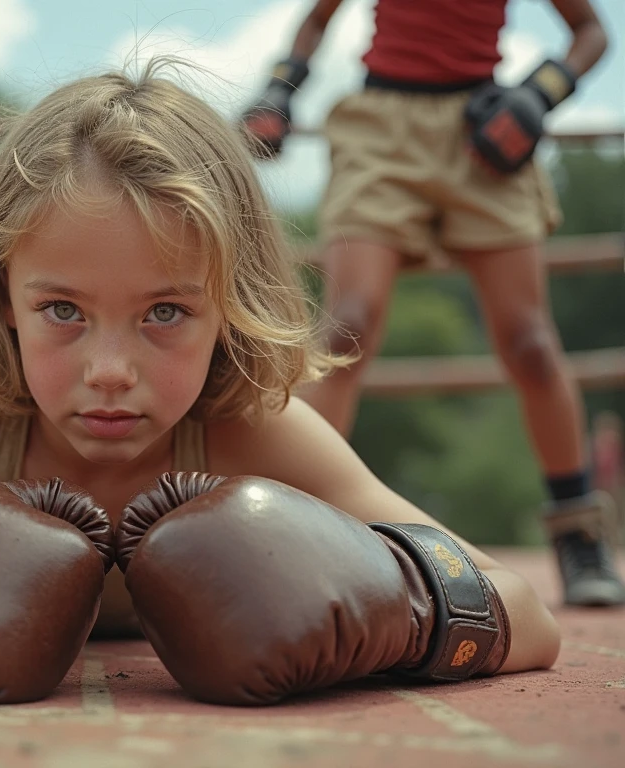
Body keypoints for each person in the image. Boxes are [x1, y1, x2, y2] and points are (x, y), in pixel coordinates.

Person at [0, 59, 561, 706]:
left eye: (164, 312)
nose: (110, 371)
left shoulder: (251, 425)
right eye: (62, 311)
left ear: (228, 306)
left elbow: (524, 615)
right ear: (3, 294)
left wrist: (398, 617)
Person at [242, 0, 624, 607]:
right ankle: (283, 526)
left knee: (529, 342)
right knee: (345, 329)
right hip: (382, 131)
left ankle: (579, 535)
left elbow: (590, 30)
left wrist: (538, 95)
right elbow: (317, 19)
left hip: (482, 125)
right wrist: (279, 90)